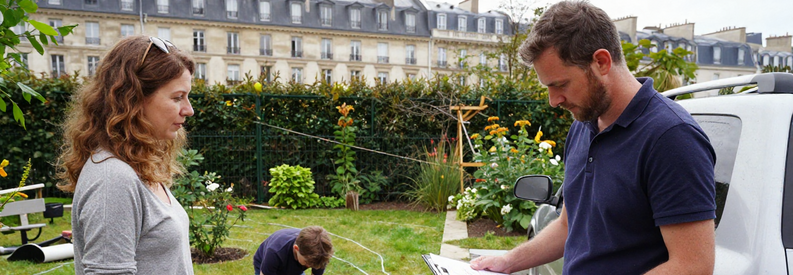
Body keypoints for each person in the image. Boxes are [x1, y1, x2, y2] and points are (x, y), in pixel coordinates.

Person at [470, 1, 716, 274]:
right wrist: (507, 262)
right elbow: (568, 225)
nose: (553, 101)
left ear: (601, 62)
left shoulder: (671, 138)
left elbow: (693, 266)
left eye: (560, 84)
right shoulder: (583, 125)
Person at [57, 35, 196, 274]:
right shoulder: (113, 179)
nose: (189, 110)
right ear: (133, 99)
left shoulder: (136, 166)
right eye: (177, 97)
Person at [253, 226, 334, 275]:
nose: (309, 266)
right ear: (296, 248)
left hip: (294, 266)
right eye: (307, 263)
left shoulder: (321, 255)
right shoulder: (275, 252)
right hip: (266, 263)